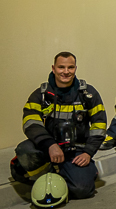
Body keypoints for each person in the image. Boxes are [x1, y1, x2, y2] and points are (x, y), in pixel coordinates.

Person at [12, 52, 106, 200]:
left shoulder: (88, 94)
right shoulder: (40, 95)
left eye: (70, 67)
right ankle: (47, 178)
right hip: (48, 149)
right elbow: (30, 123)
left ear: (75, 68)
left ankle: (69, 175)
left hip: (76, 151)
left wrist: (88, 152)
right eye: (61, 67)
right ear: (53, 68)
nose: (66, 71)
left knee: (82, 190)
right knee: (25, 150)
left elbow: (99, 125)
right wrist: (49, 144)